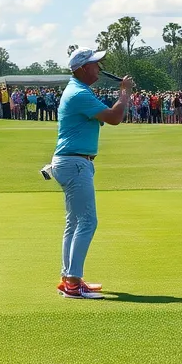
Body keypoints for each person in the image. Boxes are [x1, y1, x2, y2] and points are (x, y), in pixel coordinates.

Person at [43, 48, 133, 300]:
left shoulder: (79, 90)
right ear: (82, 68)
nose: (99, 68)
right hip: (75, 163)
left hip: (72, 162)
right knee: (87, 222)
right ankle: (72, 283)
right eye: (95, 64)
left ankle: (70, 278)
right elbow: (115, 117)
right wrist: (124, 93)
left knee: (74, 222)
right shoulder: (79, 93)